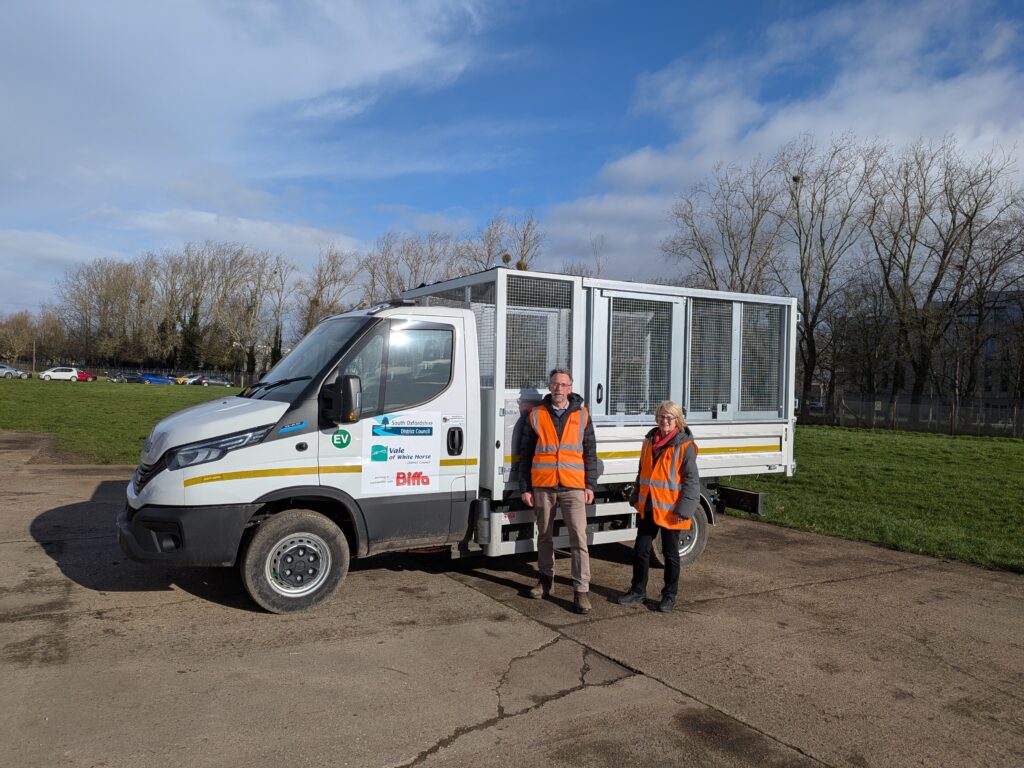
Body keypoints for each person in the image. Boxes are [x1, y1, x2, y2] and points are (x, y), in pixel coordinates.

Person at [519, 368, 598, 614]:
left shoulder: (583, 415)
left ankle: (581, 590)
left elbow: (590, 452)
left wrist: (590, 485)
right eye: (555, 384)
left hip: (573, 485)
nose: (559, 389)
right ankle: (545, 581)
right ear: (549, 386)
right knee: (544, 536)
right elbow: (526, 454)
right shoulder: (536, 414)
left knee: (579, 539)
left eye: (563, 384)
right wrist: (526, 488)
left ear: (570, 387)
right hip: (543, 485)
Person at [617, 400, 699, 613]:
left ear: (677, 421)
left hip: (672, 510)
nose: (665, 421)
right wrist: (636, 496)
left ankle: (669, 596)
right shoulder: (649, 441)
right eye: (662, 416)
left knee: (670, 554)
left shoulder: (684, 446)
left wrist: (685, 510)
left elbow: (691, 481)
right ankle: (637, 590)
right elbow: (642, 472)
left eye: (669, 418)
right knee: (641, 550)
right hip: (649, 506)